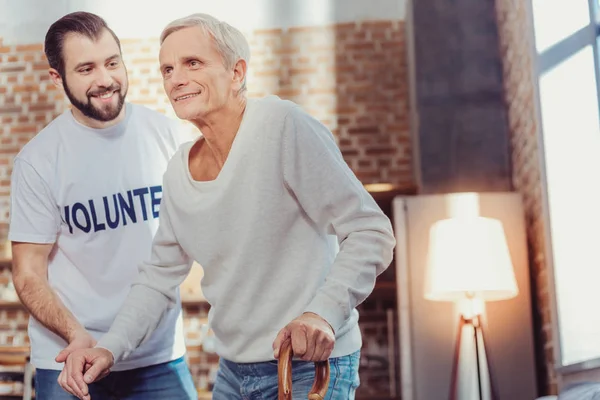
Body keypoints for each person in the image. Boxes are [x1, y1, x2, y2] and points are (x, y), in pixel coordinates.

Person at [60, 13, 396, 400]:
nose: (176, 78)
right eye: (167, 68)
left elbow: (371, 231)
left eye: (193, 63)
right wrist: (109, 347)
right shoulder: (178, 170)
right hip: (233, 373)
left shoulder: (282, 126)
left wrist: (323, 312)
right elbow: (157, 278)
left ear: (237, 72)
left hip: (305, 366)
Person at [8, 11, 198, 400]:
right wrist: (77, 335)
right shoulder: (39, 160)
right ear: (57, 78)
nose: (105, 79)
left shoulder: (166, 134)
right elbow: (28, 274)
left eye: (112, 63)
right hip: (70, 359)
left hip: (156, 354)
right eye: (86, 68)